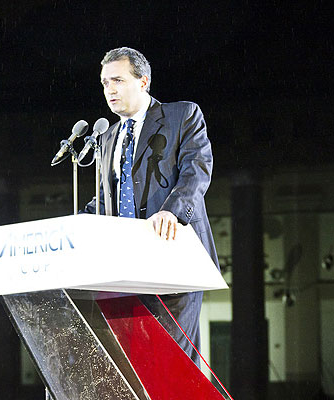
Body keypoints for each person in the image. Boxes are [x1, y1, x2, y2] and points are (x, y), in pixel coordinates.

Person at [83, 47, 219, 366]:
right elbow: (105, 200)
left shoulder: (181, 115)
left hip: (175, 256)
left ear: (143, 81)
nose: (110, 90)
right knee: (135, 362)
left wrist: (172, 210)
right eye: (104, 83)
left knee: (171, 361)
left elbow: (196, 167)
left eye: (117, 80)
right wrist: (74, 226)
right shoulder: (107, 137)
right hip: (126, 267)